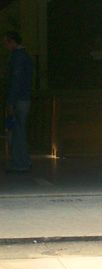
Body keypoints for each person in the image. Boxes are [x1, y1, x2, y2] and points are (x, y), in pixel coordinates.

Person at [3, 31, 33, 173]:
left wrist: (10, 101)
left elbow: (15, 80)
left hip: (18, 99)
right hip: (24, 97)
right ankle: (24, 160)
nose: (5, 45)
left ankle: (20, 163)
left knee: (17, 131)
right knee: (20, 130)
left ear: (12, 42)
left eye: (6, 42)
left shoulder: (17, 57)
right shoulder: (25, 56)